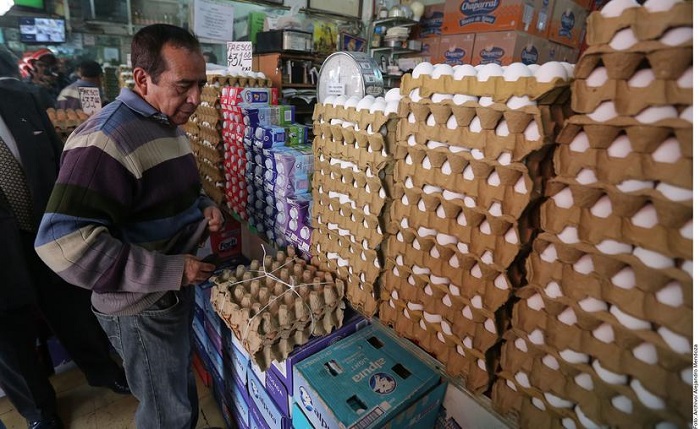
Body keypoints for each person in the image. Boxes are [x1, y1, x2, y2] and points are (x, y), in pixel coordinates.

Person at [35, 24, 224, 429]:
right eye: (184, 85)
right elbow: (62, 243)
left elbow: (165, 194)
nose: (196, 99)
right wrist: (171, 270)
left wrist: (202, 206)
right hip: (139, 308)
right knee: (164, 413)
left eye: (201, 85)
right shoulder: (105, 141)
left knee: (175, 398)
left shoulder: (163, 122)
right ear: (143, 78)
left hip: (166, 296)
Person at [0, 46, 129, 429]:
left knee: (70, 306)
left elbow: (59, 161)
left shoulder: (22, 99)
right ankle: (40, 411)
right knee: (9, 334)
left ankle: (101, 369)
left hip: (45, 229)